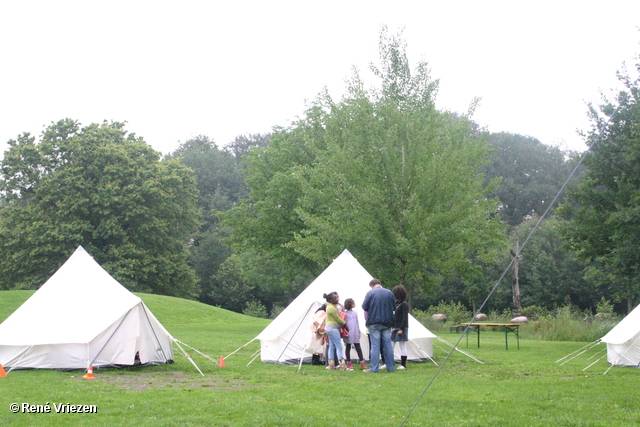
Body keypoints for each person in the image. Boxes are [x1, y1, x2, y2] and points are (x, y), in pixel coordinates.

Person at [361, 278, 396, 373]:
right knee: (388, 345)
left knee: (375, 346)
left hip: (374, 322)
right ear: (380, 284)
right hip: (387, 322)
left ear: (372, 286)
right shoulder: (389, 292)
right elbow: (394, 307)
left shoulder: (370, 293)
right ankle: (391, 367)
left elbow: (364, 307)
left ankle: (374, 368)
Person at [323, 292, 348, 370]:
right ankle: (342, 365)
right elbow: (337, 319)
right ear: (330, 300)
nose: (337, 299)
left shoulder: (329, 306)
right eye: (335, 298)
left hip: (329, 328)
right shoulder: (332, 308)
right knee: (339, 346)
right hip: (333, 328)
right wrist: (344, 323)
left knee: (331, 346)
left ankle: (331, 364)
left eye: (337, 298)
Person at [343, 298, 366, 370]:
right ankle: (349, 362)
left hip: (355, 331)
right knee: (348, 347)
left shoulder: (355, 313)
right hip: (349, 332)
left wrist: (358, 332)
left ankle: (362, 362)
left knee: (358, 346)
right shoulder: (345, 314)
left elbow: (357, 323)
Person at [391, 285, 409, 369]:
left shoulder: (404, 305)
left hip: (401, 328)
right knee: (391, 345)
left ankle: (403, 364)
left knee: (402, 345)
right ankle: (389, 362)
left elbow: (405, 318)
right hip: (394, 327)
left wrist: (401, 329)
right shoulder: (396, 304)